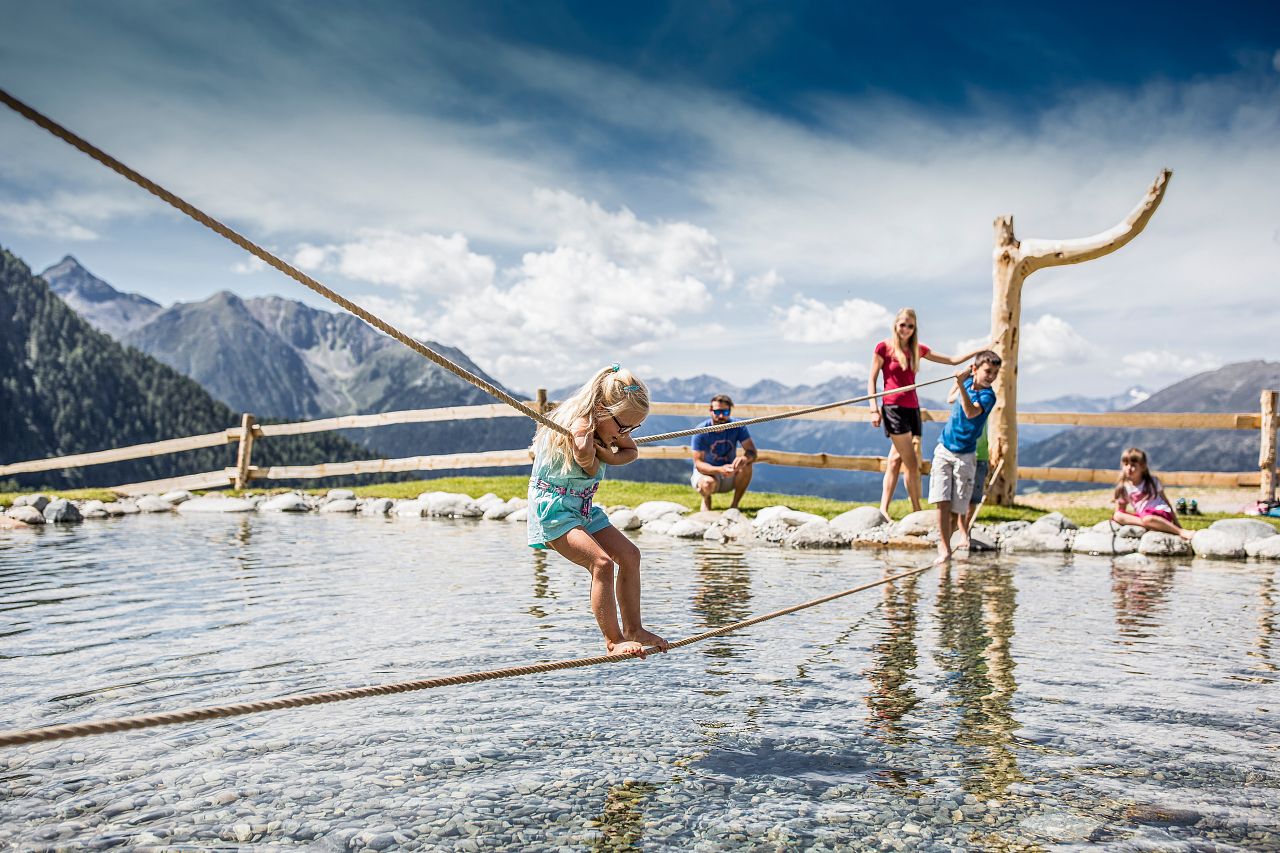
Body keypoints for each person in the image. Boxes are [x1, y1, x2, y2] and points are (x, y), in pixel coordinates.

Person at [528, 364, 670, 657]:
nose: (626, 433)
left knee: (630, 555)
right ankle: (613, 640)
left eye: (633, 428)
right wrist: (589, 453)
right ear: (603, 408)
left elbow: (631, 452)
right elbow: (588, 465)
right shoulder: (580, 425)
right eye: (623, 427)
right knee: (602, 564)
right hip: (555, 509)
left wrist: (607, 452)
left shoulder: (614, 424)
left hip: (583, 506)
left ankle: (634, 629)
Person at [869, 308, 988, 519]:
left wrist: (980, 351)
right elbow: (872, 379)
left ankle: (883, 510)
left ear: (914, 329)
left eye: (910, 326)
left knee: (895, 461)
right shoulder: (883, 347)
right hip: (893, 408)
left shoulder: (918, 349)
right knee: (912, 464)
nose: (906, 329)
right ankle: (916, 511)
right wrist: (874, 409)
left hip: (912, 409)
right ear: (896, 325)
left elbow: (951, 360)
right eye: (903, 324)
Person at [929, 351, 1002, 564]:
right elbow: (951, 398)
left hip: (966, 455)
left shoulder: (989, 396)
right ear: (976, 369)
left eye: (995, 373)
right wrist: (959, 381)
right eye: (988, 371)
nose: (991, 376)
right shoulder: (968, 382)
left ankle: (947, 542)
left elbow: (971, 413)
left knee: (955, 510)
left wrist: (961, 385)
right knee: (941, 500)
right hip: (944, 448)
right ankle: (944, 548)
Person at [690, 394, 759, 512]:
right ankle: (706, 499)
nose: (721, 416)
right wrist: (720, 469)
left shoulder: (738, 426)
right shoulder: (701, 430)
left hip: (730, 472)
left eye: (725, 412)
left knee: (747, 466)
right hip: (708, 474)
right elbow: (699, 464)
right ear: (710, 411)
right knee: (707, 484)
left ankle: (734, 506)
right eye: (717, 412)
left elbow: (752, 452)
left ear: (730, 411)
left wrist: (745, 459)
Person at [1112, 447, 1195, 541]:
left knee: (1148, 519)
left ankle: (1180, 532)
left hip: (1160, 513)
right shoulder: (1123, 487)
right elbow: (1119, 511)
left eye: (1133, 465)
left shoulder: (1152, 482)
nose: (1129, 468)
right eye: (1126, 464)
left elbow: (1165, 501)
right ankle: (1152, 526)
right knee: (1117, 515)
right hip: (1142, 516)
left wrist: (1176, 523)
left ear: (1143, 466)